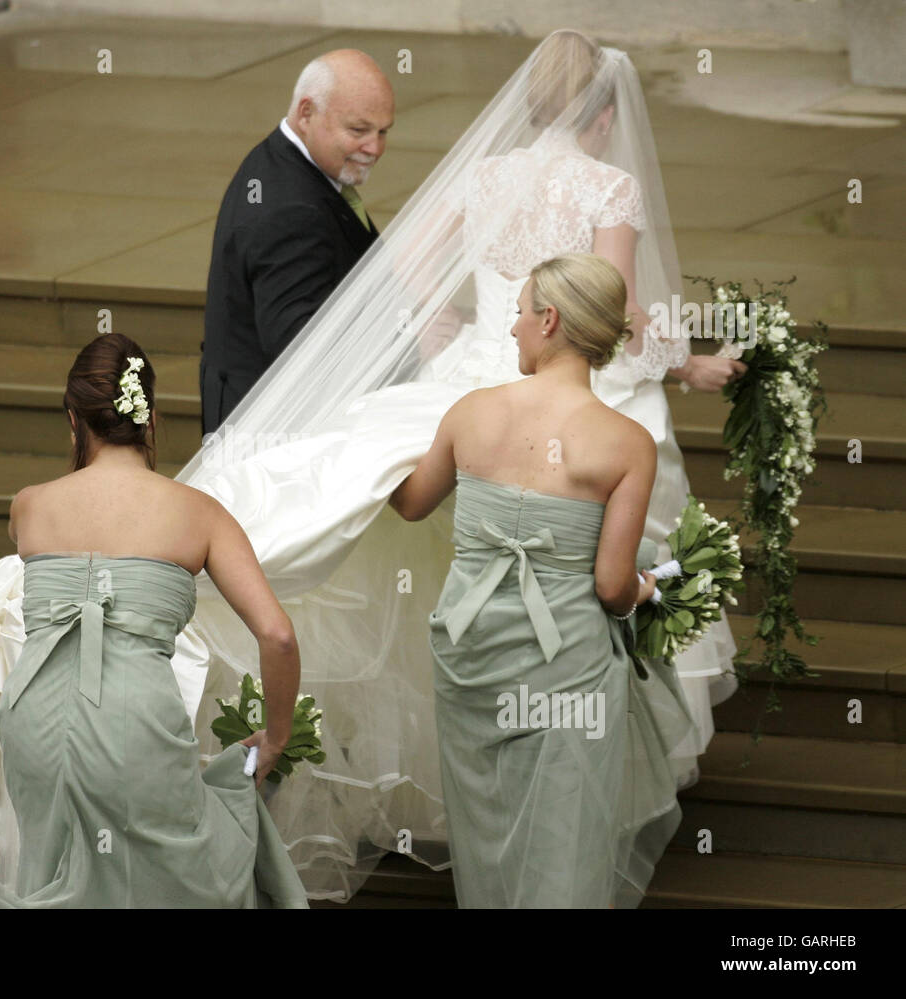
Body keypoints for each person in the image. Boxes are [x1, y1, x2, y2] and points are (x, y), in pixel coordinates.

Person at [167, 28, 732, 901]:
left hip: (477, 375)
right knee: (618, 474)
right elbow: (610, 321)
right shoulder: (605, 187)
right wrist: (686, 363)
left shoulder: (485, 177)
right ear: (605, 109)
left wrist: (460, 353)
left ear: (529, 100)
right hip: (560, 379)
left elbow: (410, 287)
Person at [0, 333, 307, 907]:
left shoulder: (30, 505)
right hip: (136, 721)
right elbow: (278, 635)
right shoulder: (199, 512)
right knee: (163, 876)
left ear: (73, 420)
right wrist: (277, 738)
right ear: (151, 418)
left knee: (58, 866)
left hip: (34, 720)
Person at [391, 253, 680, 906]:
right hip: (563, 668)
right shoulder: (625, 441)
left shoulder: (473, 413)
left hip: (470, 654)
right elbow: (611, 586)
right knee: (562, 839)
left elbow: (408, 502)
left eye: (519, 312)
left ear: (549, 319)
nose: (513, 328)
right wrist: (649, 588)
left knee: (485, 826)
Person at [200, 49, 393, 434]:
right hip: (274, 435)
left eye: (383, 131)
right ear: (306, 113)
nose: (375, 148)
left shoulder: (284, 162)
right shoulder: (291, 211)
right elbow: (299, 349)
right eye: (358, 130)